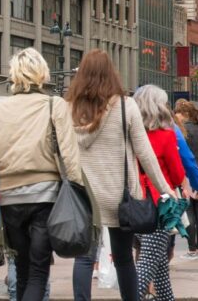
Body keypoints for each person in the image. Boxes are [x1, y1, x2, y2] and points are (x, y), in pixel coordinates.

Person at [66, 50, 176, 301]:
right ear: (112, 73)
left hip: (85, 196)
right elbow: (145, 154)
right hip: (121, 197)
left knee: (84, 259)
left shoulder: (70, 108)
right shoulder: (126, 107)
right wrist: (165, 189)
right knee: (124, 259)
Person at [0, 48, 84, 301]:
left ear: (14, 75)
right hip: (46, 197)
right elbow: (70, 154)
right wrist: (80, 194)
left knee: (22, 270)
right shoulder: (54, 105)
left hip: (11, 200)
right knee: (38, 272)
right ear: (41, 74)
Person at [132, 85, 189, 300]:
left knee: (159, 264)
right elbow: (175, 174)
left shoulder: (130, 135)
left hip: (134, 202)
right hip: (160, 204)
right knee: (148, 262)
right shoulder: (165, 135)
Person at [175, 100, 198, 259]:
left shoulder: (181, 132)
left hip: (188, 175)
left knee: (189, 212)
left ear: (183, 114)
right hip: (195, 172)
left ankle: (192, 248)